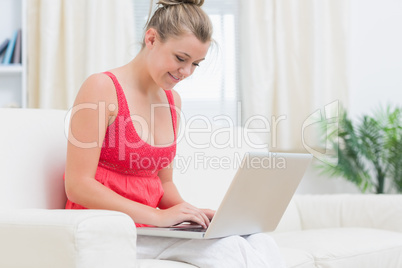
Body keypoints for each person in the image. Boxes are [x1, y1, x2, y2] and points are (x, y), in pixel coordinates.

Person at [64, 0, 285, 267]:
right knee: (229, 249)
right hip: (106, 225)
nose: (187, 72)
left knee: (261, 240)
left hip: (150, 227)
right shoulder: (101, 87)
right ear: (151, 38)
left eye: (196, 64)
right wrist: (157, 216)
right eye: (181, 58)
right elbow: (77, 185)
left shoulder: (172, 102)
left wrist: (189, 213)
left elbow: (164, 183)